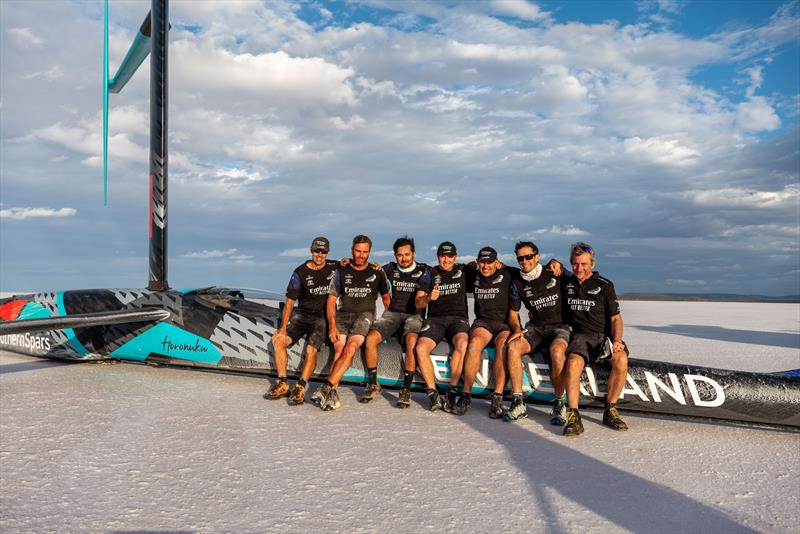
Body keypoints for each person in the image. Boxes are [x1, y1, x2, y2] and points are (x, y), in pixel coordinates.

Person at [312, 235, 391, 411]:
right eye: (358, 251)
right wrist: (332, 326)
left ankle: (326, 387)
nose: (361, 255)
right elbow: (331, 300)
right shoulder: (342, 270)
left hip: (364, 316)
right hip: (342, 315)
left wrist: (389, 323)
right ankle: (331, 393)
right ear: (352, 250)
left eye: (365, 252)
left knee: (350, 348)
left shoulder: (377, 271)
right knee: (338, 350)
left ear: (369, 252)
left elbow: (387, 299)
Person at [562, 242, 629, 436]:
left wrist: (617, 340)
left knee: (621, 360)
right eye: (575, 264)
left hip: (604, 337)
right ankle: (573, 416)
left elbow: (616, 318)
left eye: (583, 264)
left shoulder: (605, 286)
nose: (579, 268)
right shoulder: (567, 283)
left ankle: (610, 410)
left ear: (591, 263)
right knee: (573, 363)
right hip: (581, 336)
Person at [504, 241, 570, 423]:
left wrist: (559, 263)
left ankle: (559, 403)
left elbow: (578, 282)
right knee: (513, 347)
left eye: (528, 257)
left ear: (537, 256)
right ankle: (518, 401)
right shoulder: (517, 281)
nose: (524, 261)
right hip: (537, 327)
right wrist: (517, 328)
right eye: (520, 258)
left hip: (560, 326)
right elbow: (513, 313)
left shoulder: (553, 272)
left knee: (557, 351)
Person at [264, 236, 336, 404]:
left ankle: (301, 386)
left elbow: (354, 265)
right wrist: (282, 328)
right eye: (317, 251)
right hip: (302, 314)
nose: (320, 254)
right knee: (279, 341)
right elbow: (289, 302)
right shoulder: (300, 272)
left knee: (311, 350)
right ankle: (282, 383)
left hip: (321, 317)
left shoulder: (334, 267)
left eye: (323, 251)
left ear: (328, 253)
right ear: (311, 251)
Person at [360, 236, 428, 408]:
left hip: (414, 315)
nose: (403, 258)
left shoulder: (424, 270)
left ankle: (406, 390)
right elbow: (364, 271)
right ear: (395, 255)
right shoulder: (388, 269)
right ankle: (373, 384)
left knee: (412, 341)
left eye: (407, 254)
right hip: (392, 314)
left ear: (414, 254)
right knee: (371, 339)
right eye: (400, 255)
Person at [456, 246, 520, 417]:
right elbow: (454, 271)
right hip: (483, 322)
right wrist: (469, 267)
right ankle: (466, 394)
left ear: (497, 262)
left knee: (502, 346)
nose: (486, 266)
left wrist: (555, 263)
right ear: (478, 262)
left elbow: (530, 273)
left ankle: (497, 397)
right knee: (474, 344)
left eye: (489, 262)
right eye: (482, 262)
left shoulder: (508, 273)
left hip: (503, 324)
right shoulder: (473, 274)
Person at [414, 241, 471, 412]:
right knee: (420, 348)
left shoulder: (463, 270)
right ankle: (432, 392)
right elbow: (418, 301)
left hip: (458, 318)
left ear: (455, 256)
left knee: (462, 343)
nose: (446, 260)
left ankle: (453, 389)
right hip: (435, 319)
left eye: (450, 256)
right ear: (438, 256)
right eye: (442, 256)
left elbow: (490, 268)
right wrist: (429, 298)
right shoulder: (430, 273)